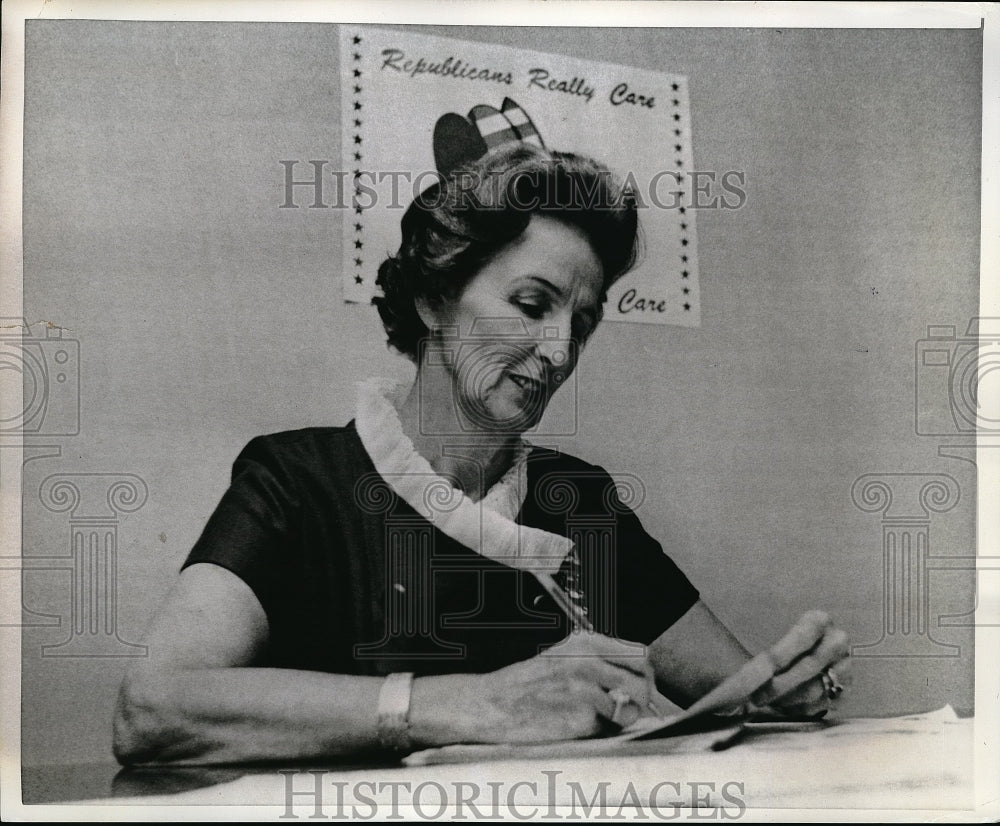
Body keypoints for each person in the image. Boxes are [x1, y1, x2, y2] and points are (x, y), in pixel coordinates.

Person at [113, 124, 850, 766]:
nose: (559, 350)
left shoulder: (578, 500)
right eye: (532, 305)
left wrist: (785, 688)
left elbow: (735, 693)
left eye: (583, 323)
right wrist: (474, 704)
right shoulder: (297, 481)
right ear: (433, 297)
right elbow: (152, 711)